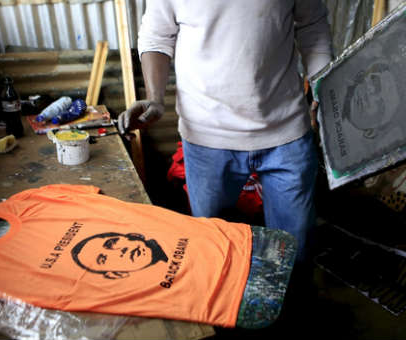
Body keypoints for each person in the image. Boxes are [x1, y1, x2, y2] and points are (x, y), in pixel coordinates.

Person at [117, 0, 333, 266]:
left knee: (292, 253)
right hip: (207, 135)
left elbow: (313, 24)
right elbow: (157, 37)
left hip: (285, 131)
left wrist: (324, 84)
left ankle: (290, 305)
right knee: (214, 251)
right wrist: (155, 99)